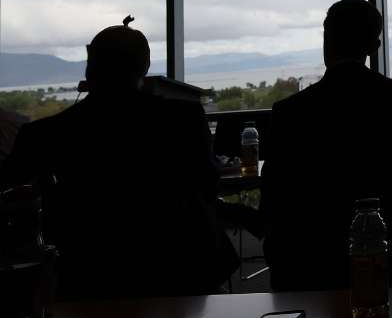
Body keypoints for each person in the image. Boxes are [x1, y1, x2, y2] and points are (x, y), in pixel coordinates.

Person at [0, 18, 236, 299]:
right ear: (144, 67)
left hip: (84, 276)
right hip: (180, 270)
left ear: (90, 66)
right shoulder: (184, 119)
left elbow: (9, 188)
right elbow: (206, 184)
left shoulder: (44, 133)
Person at [260, 0, 392, 291]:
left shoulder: (289, 112)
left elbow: (273, 199)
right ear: (374, 46)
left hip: (308, 261)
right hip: (391, 257)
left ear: (326, 40)